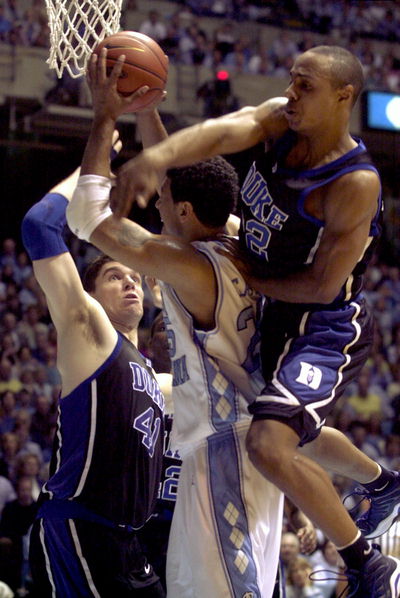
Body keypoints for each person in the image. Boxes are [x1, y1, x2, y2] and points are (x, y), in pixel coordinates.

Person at [109, 44, 400, 596]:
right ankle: (381, 482)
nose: (290, 93)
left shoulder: (354, 183)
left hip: (324, 326)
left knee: (269, 441)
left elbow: (321, 286)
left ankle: (366, 563)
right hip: (272, 310)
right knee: (279, 419)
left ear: (344, 97)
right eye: (291, 79)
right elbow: (217, 138)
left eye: (305, 86)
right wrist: (154, 149)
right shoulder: (280, 123)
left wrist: (251, 273)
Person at [66, 49, 284, 598]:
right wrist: (148, 114)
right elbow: (181, 180)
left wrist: (105, 116)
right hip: (243, 445)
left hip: (228, 449)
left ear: (185, 212)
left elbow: (86, 215)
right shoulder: (236, 237)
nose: (157, 204)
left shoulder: (194, 267)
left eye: (164, 199)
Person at [20, 153, 165, 596]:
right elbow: (38, 227)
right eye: (115, 276)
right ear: (91, 295)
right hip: (81, 527)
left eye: (135, 277)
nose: (130, 282)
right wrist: (90, 172)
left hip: (129, 543)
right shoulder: (93, 333)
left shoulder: (151, 373)